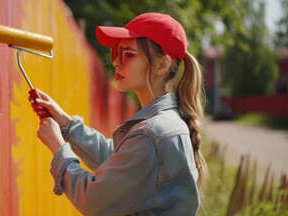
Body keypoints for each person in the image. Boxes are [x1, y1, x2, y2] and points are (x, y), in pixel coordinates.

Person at [30, 12, 208, 216]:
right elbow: (119, 162)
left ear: (162, 65)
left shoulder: (152, 134)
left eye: (129, 55)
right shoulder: (165, 123)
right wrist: (67, 125)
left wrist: (57, 145)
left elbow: (92, 200)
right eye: (116, 52)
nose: (115, 62)